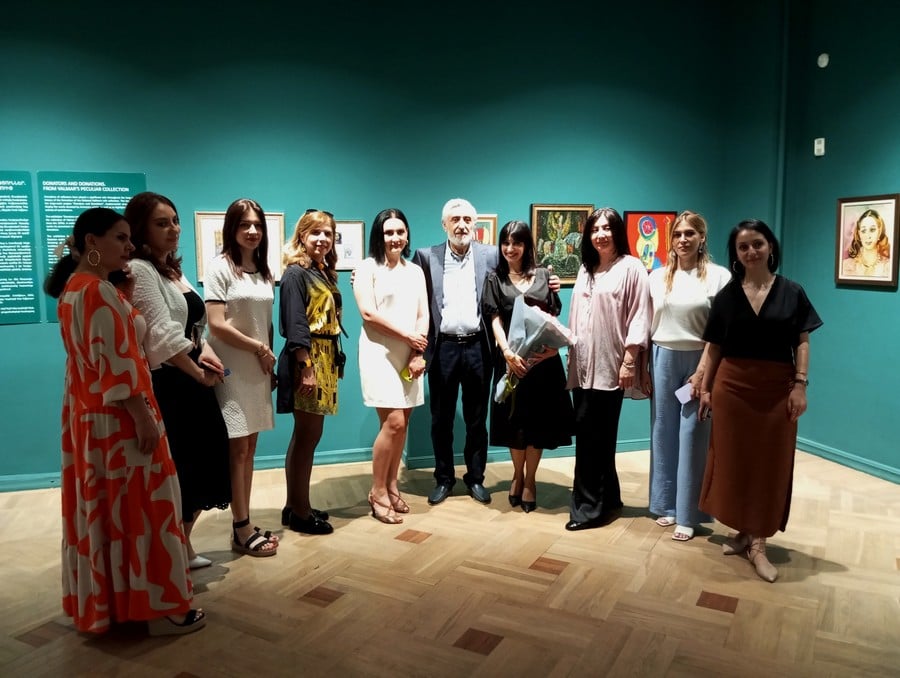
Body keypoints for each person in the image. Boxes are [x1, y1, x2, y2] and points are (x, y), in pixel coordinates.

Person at [45, 207, 205, 636]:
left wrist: (127, 298)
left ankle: (115, 606)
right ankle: (161, 608)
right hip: (119, 421)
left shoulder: (76, 289)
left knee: (109, 513)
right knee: (144, 511)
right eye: (120, 237)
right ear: (92, 242)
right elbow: (118, 363)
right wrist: (143, 418)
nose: (130, 246)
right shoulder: (96, 292)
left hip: (91, 417)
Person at [698, 219, 822, 582]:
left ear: (770, 247)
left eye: (757, 244)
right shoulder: (727, 296)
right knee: (734, 461)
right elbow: (715, 347)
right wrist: (705, 388)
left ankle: (759, 543)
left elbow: (802, 341)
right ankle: (743, 530)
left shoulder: (792, 292)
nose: (751, 251)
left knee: (770, 464)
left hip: (776, 390)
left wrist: (800, 385)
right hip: (732, 388)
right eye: (743, 246)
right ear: (736, 254)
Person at [125, 192, 232, 570]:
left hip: (190, 380)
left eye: (175, 221)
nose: (173, 229)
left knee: (205, 465)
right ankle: (170, 551)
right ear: (140, 229)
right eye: (161, 223)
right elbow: (160, 335)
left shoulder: (170, 269)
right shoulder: (140, 270)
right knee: (185, 468)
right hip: (171, 386)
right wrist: (198, 372)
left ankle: (181, 544)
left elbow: (189, 328)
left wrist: (205, 353)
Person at [565, 207, 651, 531]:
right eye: (595, 229)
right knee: (590, 437)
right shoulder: (586, 268)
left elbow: (640, 316)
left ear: (617, 232)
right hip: (582, 367)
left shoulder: (632, 268)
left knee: (596, 439)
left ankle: (588, 509)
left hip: (610, 367)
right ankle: (610, 500)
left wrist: (629, 361)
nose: (600, 234)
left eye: (607, 228)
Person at [646, 211, 730, 541]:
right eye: (678, 234)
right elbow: (648, 322)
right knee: (663, 431)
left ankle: (689, 513)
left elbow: (721, 330)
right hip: (662, 356)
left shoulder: (719, 277)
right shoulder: (656, 277)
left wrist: (703, 371)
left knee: (694, 434)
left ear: (702, 238)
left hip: (701, 359)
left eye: (690, 234)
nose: (683, 239)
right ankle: (666, 504)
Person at [411, 198, 499, 505]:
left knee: (477, 419)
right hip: (443, 348)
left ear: (474, 224)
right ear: (444, 224)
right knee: (441, 419)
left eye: (467, 219)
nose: (461, 225)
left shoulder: (491, 255)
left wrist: (548, 280)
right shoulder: (426, 256)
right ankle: (444, 478)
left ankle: (475, 478)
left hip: (479, 347)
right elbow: (408, 291)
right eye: (455, 219)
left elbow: (517, 278)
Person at [205, 198, 279, 557]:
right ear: (231, 229)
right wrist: (260, 349)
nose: (252, 231)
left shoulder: (264, 271)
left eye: (257, 225)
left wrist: (268, 359)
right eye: (244, 225)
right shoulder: (220, 267)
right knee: (237, 449)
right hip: (232, 366)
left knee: (250, 448)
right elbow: (216, 325)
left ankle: (244, 520)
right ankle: (240, 527)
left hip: (259, 368)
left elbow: (266, 322)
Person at [483, 220, 574, 513]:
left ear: (527, 245)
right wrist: (508, 353)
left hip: (542, 363)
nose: (511, 248)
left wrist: (552, 351)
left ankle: (530, 480)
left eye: (517, 243)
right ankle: (517, 475)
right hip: (512, 362)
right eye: (506, 243)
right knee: (514, 424)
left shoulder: (544, 275)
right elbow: (494, 319)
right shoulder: (494, 279)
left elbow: (552, 317)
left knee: (537, 425)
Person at [353, 208, 429, 523]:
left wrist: (416, 352)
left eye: (400, 232)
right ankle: (377, 490)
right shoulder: (366, 268)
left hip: (409, 355)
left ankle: (392, 484)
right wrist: (408, 337)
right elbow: (368, 314)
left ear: (407, 235)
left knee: (403, 423)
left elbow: (424, 314)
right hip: (378, 353)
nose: (395, 238)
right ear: (379, 235)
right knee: (394, 422)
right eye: (388, 232)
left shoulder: (415, 271)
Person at [276, 210, 343, 534]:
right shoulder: (295, 273)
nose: (322, 239)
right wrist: (306, 367)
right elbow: (295, 323)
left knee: (305, 436)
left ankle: (294, 504)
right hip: (309, 359)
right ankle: (301, 514)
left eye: (327, 233)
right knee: (307, 437)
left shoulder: (320, 271)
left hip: (324, 358)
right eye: (315, 232)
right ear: (302, 235)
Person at [841, 208, 891, 278]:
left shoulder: (888, 266)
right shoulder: (847, 265)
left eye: (872, 230)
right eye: (864, 231)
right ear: (859, 233)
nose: (868, 236)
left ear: (879, 232)